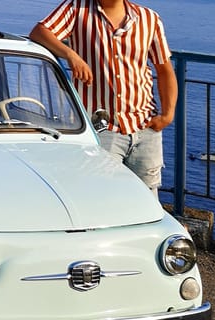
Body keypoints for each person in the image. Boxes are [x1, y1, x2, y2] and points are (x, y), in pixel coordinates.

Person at [29, 0, 177, 196]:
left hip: (145, 127)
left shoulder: (149, 18)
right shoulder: (77, 9)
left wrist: (168, 114)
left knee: (147, 197)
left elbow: (164, 69)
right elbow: (39, 32)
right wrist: (71, 55)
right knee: (101, 195)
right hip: (101, 130)